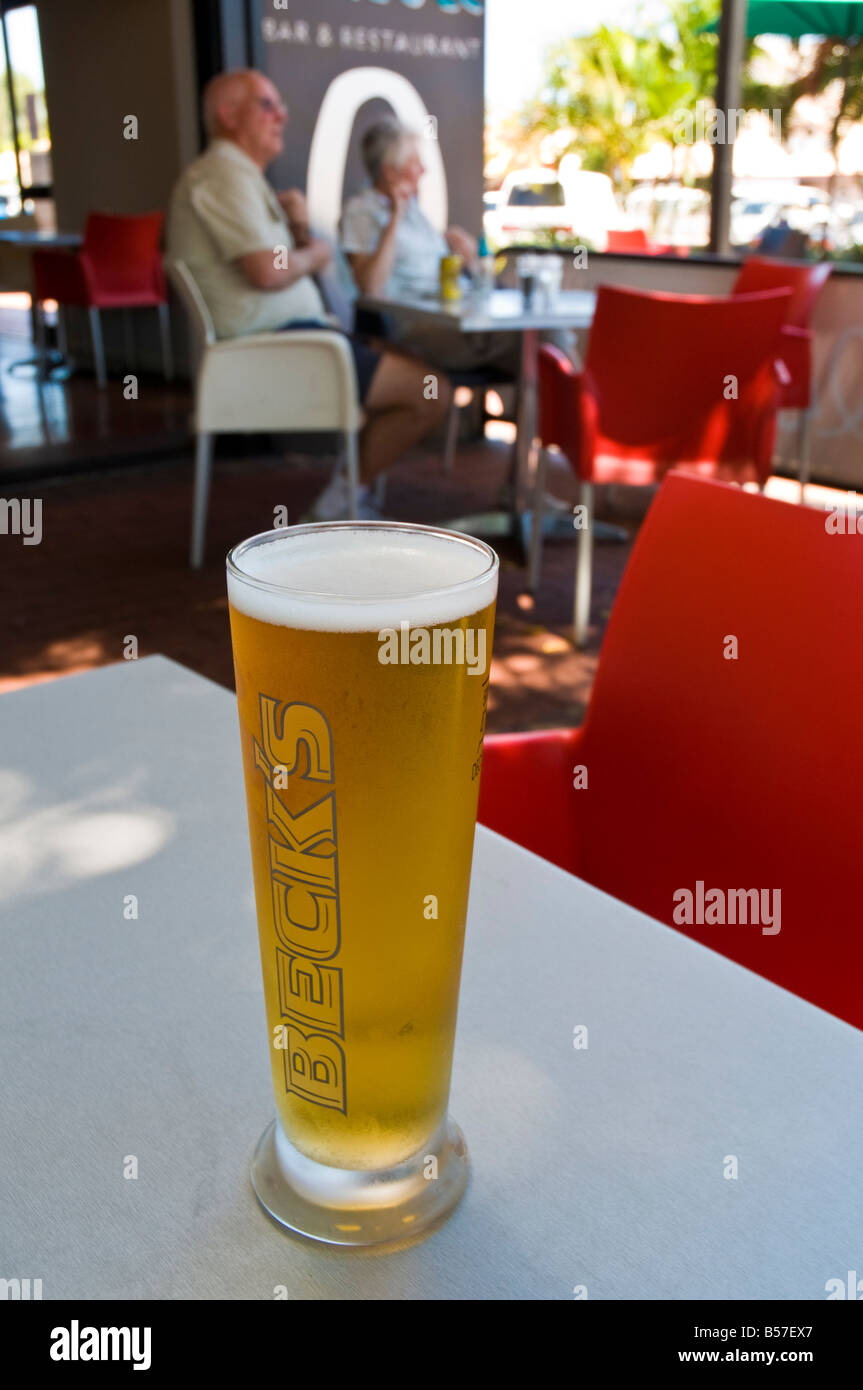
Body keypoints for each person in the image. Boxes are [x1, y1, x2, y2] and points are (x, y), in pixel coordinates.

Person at [167, 70, 450, 519]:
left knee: (409, 367)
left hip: (293, 339)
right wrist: (317, 252)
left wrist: (298, 232)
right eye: (267, 104)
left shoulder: (238, 175)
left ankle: (350, 491)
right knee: (431, 393)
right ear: (228, 114)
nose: (282, 114)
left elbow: (272, 262)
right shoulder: (223, 173)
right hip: (279, 345)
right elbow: (265, 269)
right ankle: (341, 501)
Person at [341, 118, 577, 377]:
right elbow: (370, 288)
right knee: (542, 342)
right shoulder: (362, 212)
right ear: (391, 171)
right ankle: (583, 412)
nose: (423, 170)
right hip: (421, 329)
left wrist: (462, 253)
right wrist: (394, 218)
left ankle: (572, 410)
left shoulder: (415, 213)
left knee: (548, 337)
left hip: (457, 318)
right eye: (415, 162)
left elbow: (445, 274)